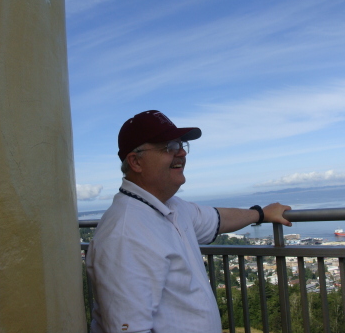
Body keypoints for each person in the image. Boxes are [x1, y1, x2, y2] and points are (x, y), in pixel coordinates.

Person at [86, 110, 292, 333]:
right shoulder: (125, 233)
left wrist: (261, 213)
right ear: (136, 162)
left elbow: (218, 219)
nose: (182, 152)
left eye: (181, 144)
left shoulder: (171, 206)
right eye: (169, 146)